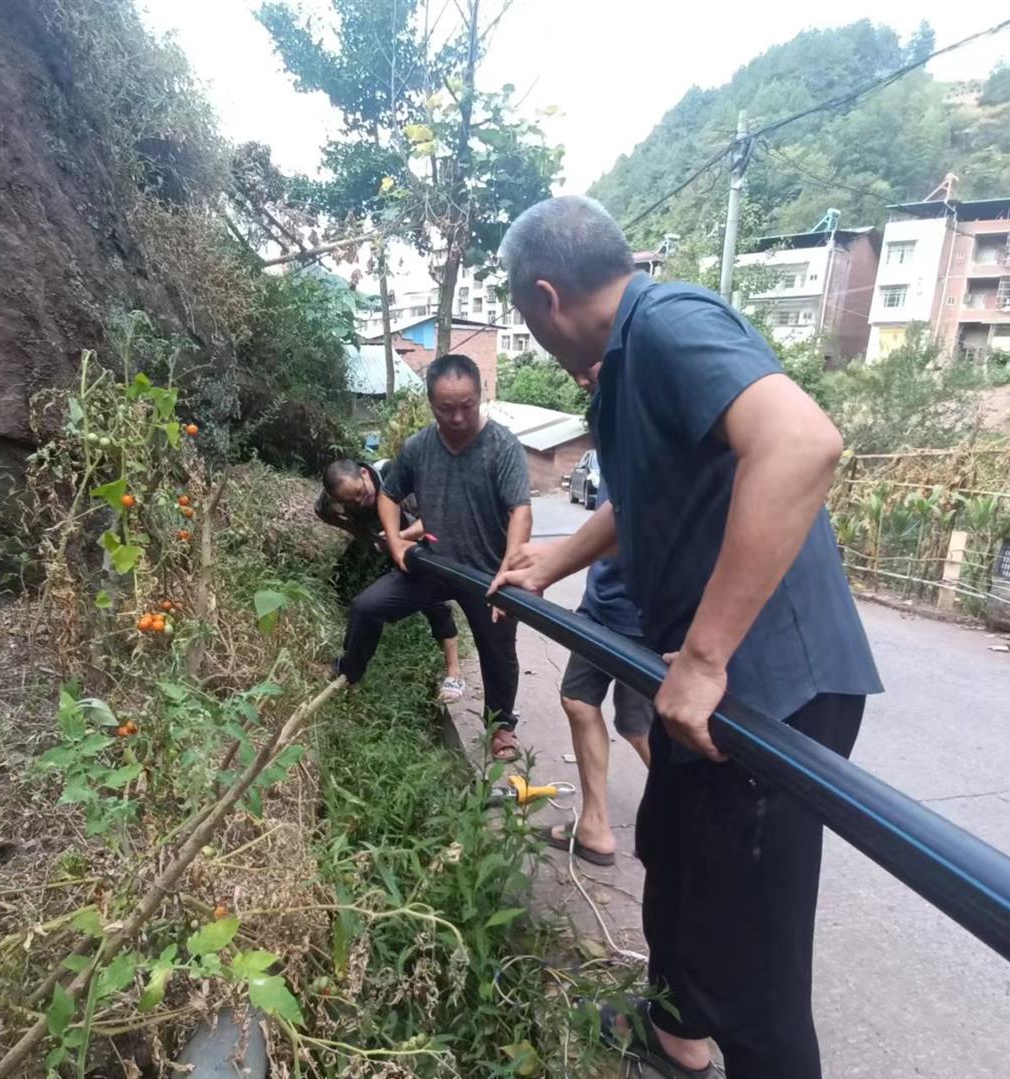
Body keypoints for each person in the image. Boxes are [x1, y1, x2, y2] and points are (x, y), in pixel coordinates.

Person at [492, 196, 882, 1079]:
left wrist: (705, 656)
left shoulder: (667, 322)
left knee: (753, 951)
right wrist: (552, 562)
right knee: (669, 849)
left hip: (771, 687)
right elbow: (645, 502)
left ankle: (733, 1046)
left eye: (523, 316)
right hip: (697, 687)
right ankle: (673, 1036)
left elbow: (801, 445)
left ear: (544, 298)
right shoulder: (623, 368)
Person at [341, 353, 533, 760]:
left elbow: (521, 510)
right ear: (432, 404)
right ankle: (347, 679)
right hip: (435, 563)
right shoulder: (418, 447)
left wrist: (510, 567)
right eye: (447, 408)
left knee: (498, 649)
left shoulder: (503, 447)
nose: (459, 417)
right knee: (366, 607)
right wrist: (396, 544)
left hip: (487, 573)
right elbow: (390, 496)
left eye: (467, 405)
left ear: (480, 397)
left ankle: (500, 728)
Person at [549, 478, 654, 867]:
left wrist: (547, 566)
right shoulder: (613, 438)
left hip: (644, 618)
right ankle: (594, 826)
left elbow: (633, 523)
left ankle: (686, 821)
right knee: (578, 701)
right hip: (601, 606)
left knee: (638, 727)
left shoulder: (649, 431)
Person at [315, 457, 464, 703]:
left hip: (427, 545)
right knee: (364, 607)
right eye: (349, 502)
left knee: (435, 606)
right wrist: (360, 533)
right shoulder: (338, 495)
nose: (358, 502)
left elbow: (437, 517)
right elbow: (322, 510)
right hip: (391, 546)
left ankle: (454, 673)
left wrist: (398, 536)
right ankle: (348, 673)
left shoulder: (399, 476)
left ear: (364, 473)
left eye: (360, 494)